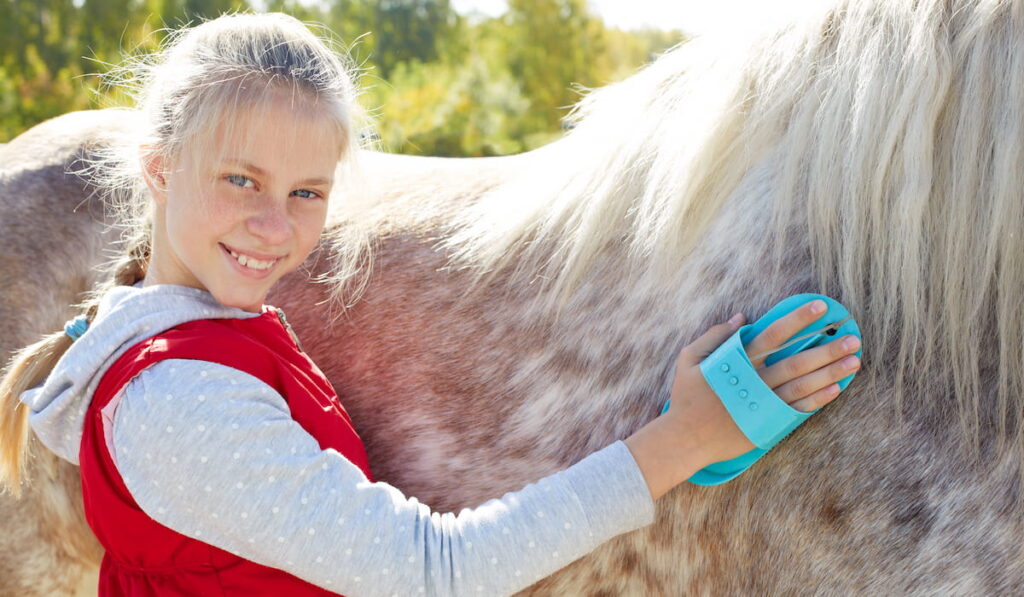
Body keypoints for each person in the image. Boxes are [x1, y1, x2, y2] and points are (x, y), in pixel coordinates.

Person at [0, 12, 862, 597]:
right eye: (240, 180)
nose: (275, 226)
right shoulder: (178, 401)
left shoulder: (207, 337)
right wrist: (682, 441)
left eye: (307, 191)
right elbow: (432, 572)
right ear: (157, 166)